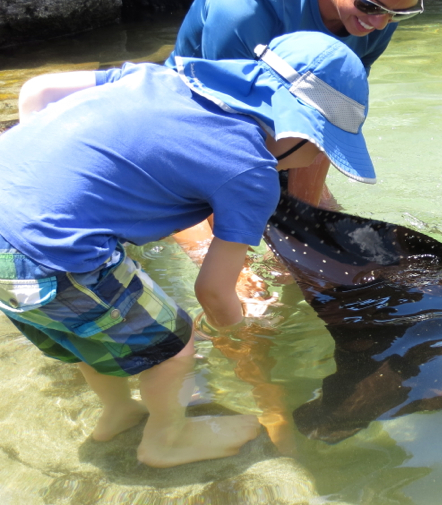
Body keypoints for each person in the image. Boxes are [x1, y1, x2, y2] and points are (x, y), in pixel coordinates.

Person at [0, 31, 376, 467]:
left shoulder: (159, 78)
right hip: (52, 253)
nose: (317, 161)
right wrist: (241, 331)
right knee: (173, 345)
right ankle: (166, 439)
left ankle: (119, 411)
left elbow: (39, 92)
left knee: (93, 331)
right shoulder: (252, 171)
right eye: (324, 145)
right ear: (298, 133)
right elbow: (213, 292)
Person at [167, 0, 442, 207]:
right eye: (369, 5)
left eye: (400, 13)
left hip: (279, 135)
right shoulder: (245, 4)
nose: (380, 24)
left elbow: (329, 116)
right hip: (185, 137)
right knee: (220, 248)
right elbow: (219, 143)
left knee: (322, 224)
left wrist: (305, 215)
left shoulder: (380, 16)